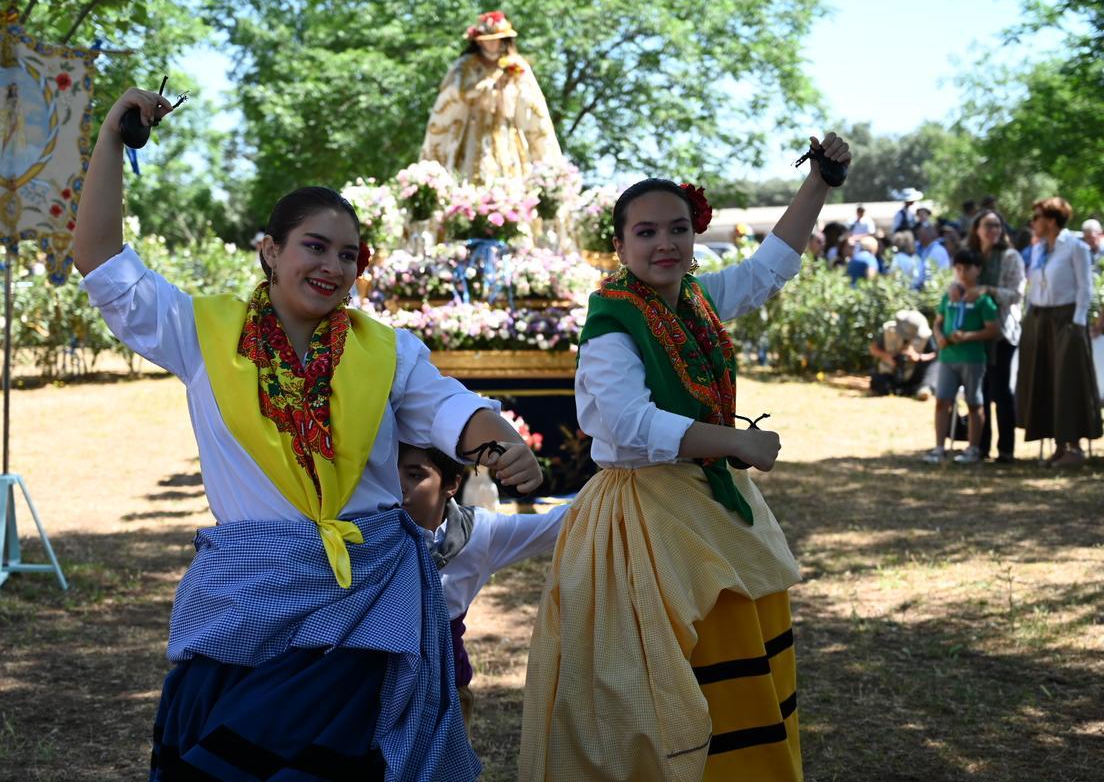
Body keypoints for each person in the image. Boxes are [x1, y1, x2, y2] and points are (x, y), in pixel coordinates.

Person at [73, 87, 545, 781]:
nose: (332, 266)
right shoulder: (203, 333)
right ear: (270, 250)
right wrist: (113, 136)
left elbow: (451, 409)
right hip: (247, 593)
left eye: (348, 255)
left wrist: (501, 443)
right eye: (314, 247)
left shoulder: (387, 350)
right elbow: (102, 261)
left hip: (365, 603)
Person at [519, 133, 851, 781]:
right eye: (646, 232)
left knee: (741, 647)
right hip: (645, 515)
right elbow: (626, 423)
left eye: (677, 229)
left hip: (711, 506)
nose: (664, 244)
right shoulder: (612, 324)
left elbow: (766, 269)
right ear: (619, 246)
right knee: (664, 671)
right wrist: (735, 441)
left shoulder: (695, 301)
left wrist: (819, 183)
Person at [397, 443, 567, 741]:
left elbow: (559, 526)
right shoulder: (363, 532)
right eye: (390, 473)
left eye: (414, 475)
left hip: (446, 691)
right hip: (375, 690)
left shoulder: (478, 533)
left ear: (451, 484)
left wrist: (618, 488)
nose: (398, 486)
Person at [419, 11, 562, 183]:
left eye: (496, 39)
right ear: (478, 41)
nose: (493, 44)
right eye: (488, 40)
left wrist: (508, 90)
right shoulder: (464, 66)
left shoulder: (516, 67)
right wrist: (480, 90)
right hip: (472, 132)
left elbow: (532, 105)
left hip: (505, 131)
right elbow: (451, 96)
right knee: (467, 178)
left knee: (508, 177)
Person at [1016, 196, 1102, 468]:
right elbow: (1034, 285)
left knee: (1068, 380)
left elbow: (1085, 287)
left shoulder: (1075, 247)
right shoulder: (1041, 248)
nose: (1033, 223)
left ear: (1052, 221)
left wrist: (1077, 323)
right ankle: (1058, 444)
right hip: (1040, 319)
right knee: (1045, 378)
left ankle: (1074, 447)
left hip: (1066, 319)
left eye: (1038, 218)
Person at [923, 250, 1001, 464]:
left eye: (968, 268)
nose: (963, 273)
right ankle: (939, 447)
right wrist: (939, 337)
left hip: (972, 357)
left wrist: (968, 336)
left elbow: (993, 330)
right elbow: (938, 322)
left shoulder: (983, 300)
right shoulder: (949, 295)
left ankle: (973, 449)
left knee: (974, 403)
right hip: (948, 356)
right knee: (942, 400)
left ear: (978, 270)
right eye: (958, 268)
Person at [966, 209, 1025, 463]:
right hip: (976, 332)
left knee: (1000, 391)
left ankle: (1006, 450)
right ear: (977, 228)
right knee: (980, 390)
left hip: (1002, 331)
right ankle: (980, 446)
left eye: (997, 226)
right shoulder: (972, 256)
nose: (993, 230)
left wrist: (988, 290)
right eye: (988, 225)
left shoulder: (1011, 257)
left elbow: (1016, 294)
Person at [869, 309, 938, 399]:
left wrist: (918, 357)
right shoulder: (889, 330)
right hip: (890, 372)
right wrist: (886, 356)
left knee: (935, 367)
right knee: (878, 381)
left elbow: (935, 355)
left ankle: (924, 388)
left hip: (914, 372)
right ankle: (909, 391)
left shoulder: (925, 335)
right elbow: (873, 349)